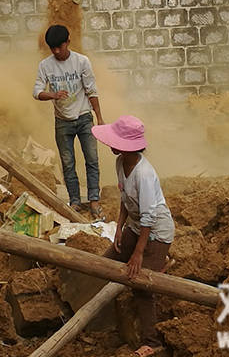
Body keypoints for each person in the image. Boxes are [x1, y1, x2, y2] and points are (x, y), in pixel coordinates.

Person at [92, 115, 175, 355]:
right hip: (136, 226)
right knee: (107, 261)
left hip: (156, 232)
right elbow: (125, 199)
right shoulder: (120, 163)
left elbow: (149, 218)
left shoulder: (144, 174)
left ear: (127, 146)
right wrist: (119, 228)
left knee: (141, 285)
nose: (110, 144)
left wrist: (138, 254)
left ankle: (152, 342)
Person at [33, 24, 105, 220]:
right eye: (53, 48)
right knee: (68, 163)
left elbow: (91, 90)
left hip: (84, 118)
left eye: (60, 47)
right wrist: (53, 94)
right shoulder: (45, 66)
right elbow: (37, 92)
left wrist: (99, 118)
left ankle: (94, 201)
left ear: (68, 42)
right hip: (62, 122)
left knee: (92, 160)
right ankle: (74, 201)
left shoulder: (82, 62)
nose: (57, 51)